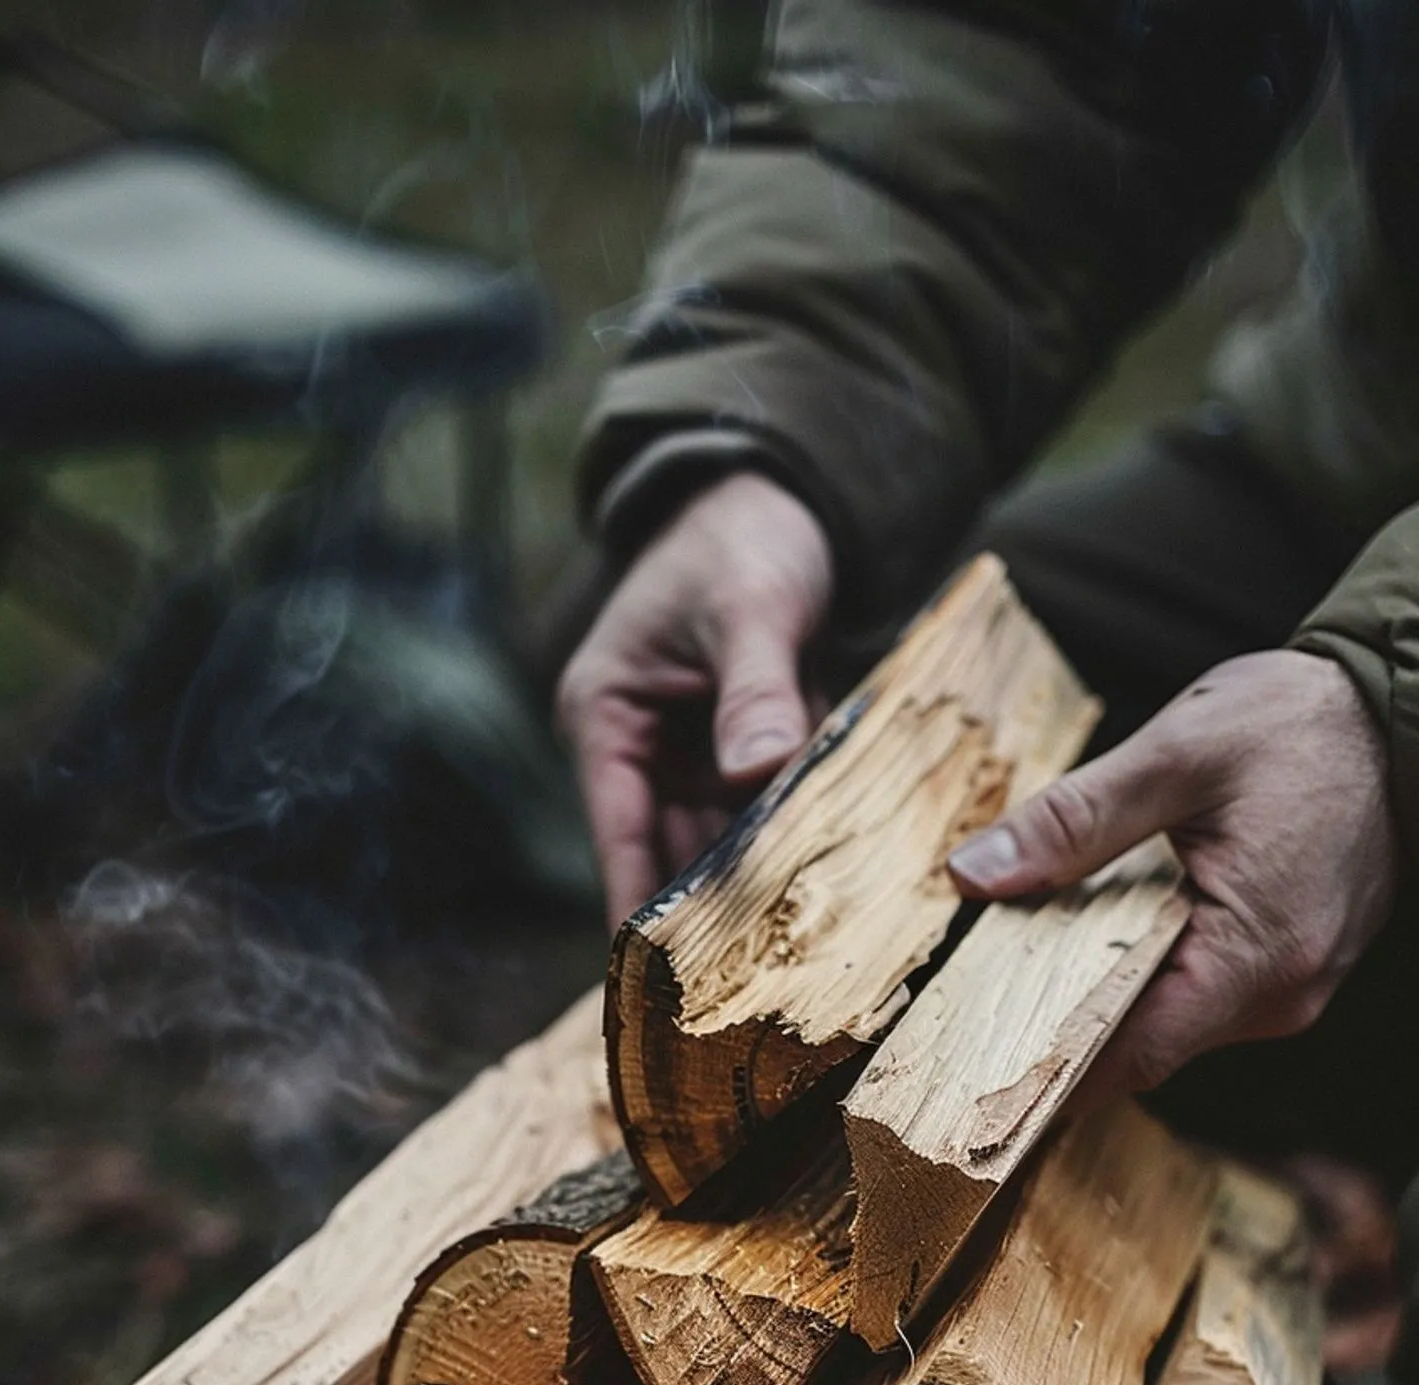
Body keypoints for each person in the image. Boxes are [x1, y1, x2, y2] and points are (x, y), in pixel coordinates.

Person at [555, 0, 1419, 1224]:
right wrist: (758, 447)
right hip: (1359, 437)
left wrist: (1387, 712)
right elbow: (1020, 48)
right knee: (864, 677)